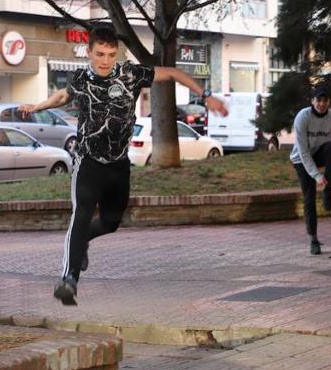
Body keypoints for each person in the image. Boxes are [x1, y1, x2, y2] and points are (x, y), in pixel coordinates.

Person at [19, 26, 227, 306]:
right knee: (80, 215)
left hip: (118, 166)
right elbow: (63, 97)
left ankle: (84, 243)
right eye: (100, 54)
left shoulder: (130, 73)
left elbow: (174, 74)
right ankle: (69, 279)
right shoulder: (81, 78)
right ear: (89, 52)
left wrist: (205, 96)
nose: (105, 61)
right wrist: (37, 107)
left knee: (110, 222)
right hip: (87, 161)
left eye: (111, 54)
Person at [290, 86, 331, 255]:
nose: (322, 104)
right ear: (312, 101)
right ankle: (313, 239)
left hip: (320, 153)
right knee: (309, 197)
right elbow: (303, 151)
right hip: (301, 159)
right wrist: (316, 175)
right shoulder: (303, 117)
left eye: (325, 100)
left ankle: (328, 191)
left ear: (329, 102)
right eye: (318, 100)